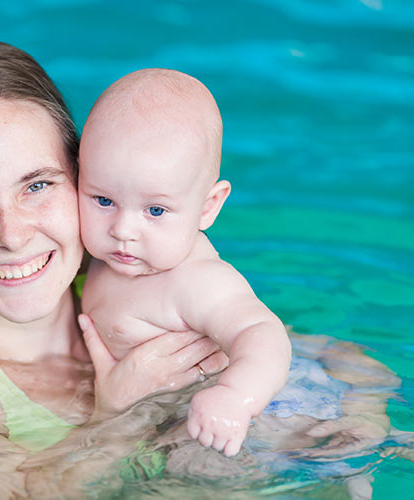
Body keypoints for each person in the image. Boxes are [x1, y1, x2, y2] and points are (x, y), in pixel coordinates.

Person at [0, 41, 228, 496]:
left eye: (37, 185)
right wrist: (115, 419)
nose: (11, 235)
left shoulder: (140, 275)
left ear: (85, 180)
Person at [78, 68, 292, 457]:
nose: (123, 229)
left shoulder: (197, 280)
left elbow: (263, 334)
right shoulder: (94, 254)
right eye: (103, 200)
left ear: (208, 207)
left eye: (155, 210)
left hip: (230, 424)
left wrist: (235, 397)